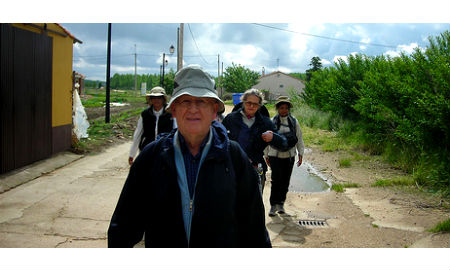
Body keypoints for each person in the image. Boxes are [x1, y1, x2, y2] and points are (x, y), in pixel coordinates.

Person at [108, 65, 271, 248]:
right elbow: (123, 227)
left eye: (201, 101)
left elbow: (254, 228)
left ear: (214, 110)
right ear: (174, 110)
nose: (193, 109)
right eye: (185, 101)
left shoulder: (233, 157)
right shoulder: (152, 157)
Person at [222, 89, 289, 193]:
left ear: (259, 105)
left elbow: (284, 143)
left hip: (256, 169)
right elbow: (220, 140)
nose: (251, 106)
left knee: (254, 206)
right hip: (233, 169)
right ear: (243, 102)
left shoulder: (266, 123)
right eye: (248, 103)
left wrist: (273, 137)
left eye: (255, 104)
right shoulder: (231, 119)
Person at [264, 96, 304, 216]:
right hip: (274, 156)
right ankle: (273, 206)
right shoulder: (272, 122)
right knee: (276, 181)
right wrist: (266, 155)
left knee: (285, 181)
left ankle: (281, 204)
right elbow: (267, 139)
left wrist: (300, 153)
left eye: (286, 108)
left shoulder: (294, 122)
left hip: (289, 156)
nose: (284, 110)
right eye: (281, 108)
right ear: (277, 108)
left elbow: (299, 138)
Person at [128, 87, 175, 165]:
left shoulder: (171, 113)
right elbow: (138, 134)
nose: (156, 100)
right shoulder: (145, 114)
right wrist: (132, 154)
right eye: (154, 98)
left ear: (163, 99)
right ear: (151, 99)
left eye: (159, 97)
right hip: (148, 148)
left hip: (166, 150)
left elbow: (176, 131)